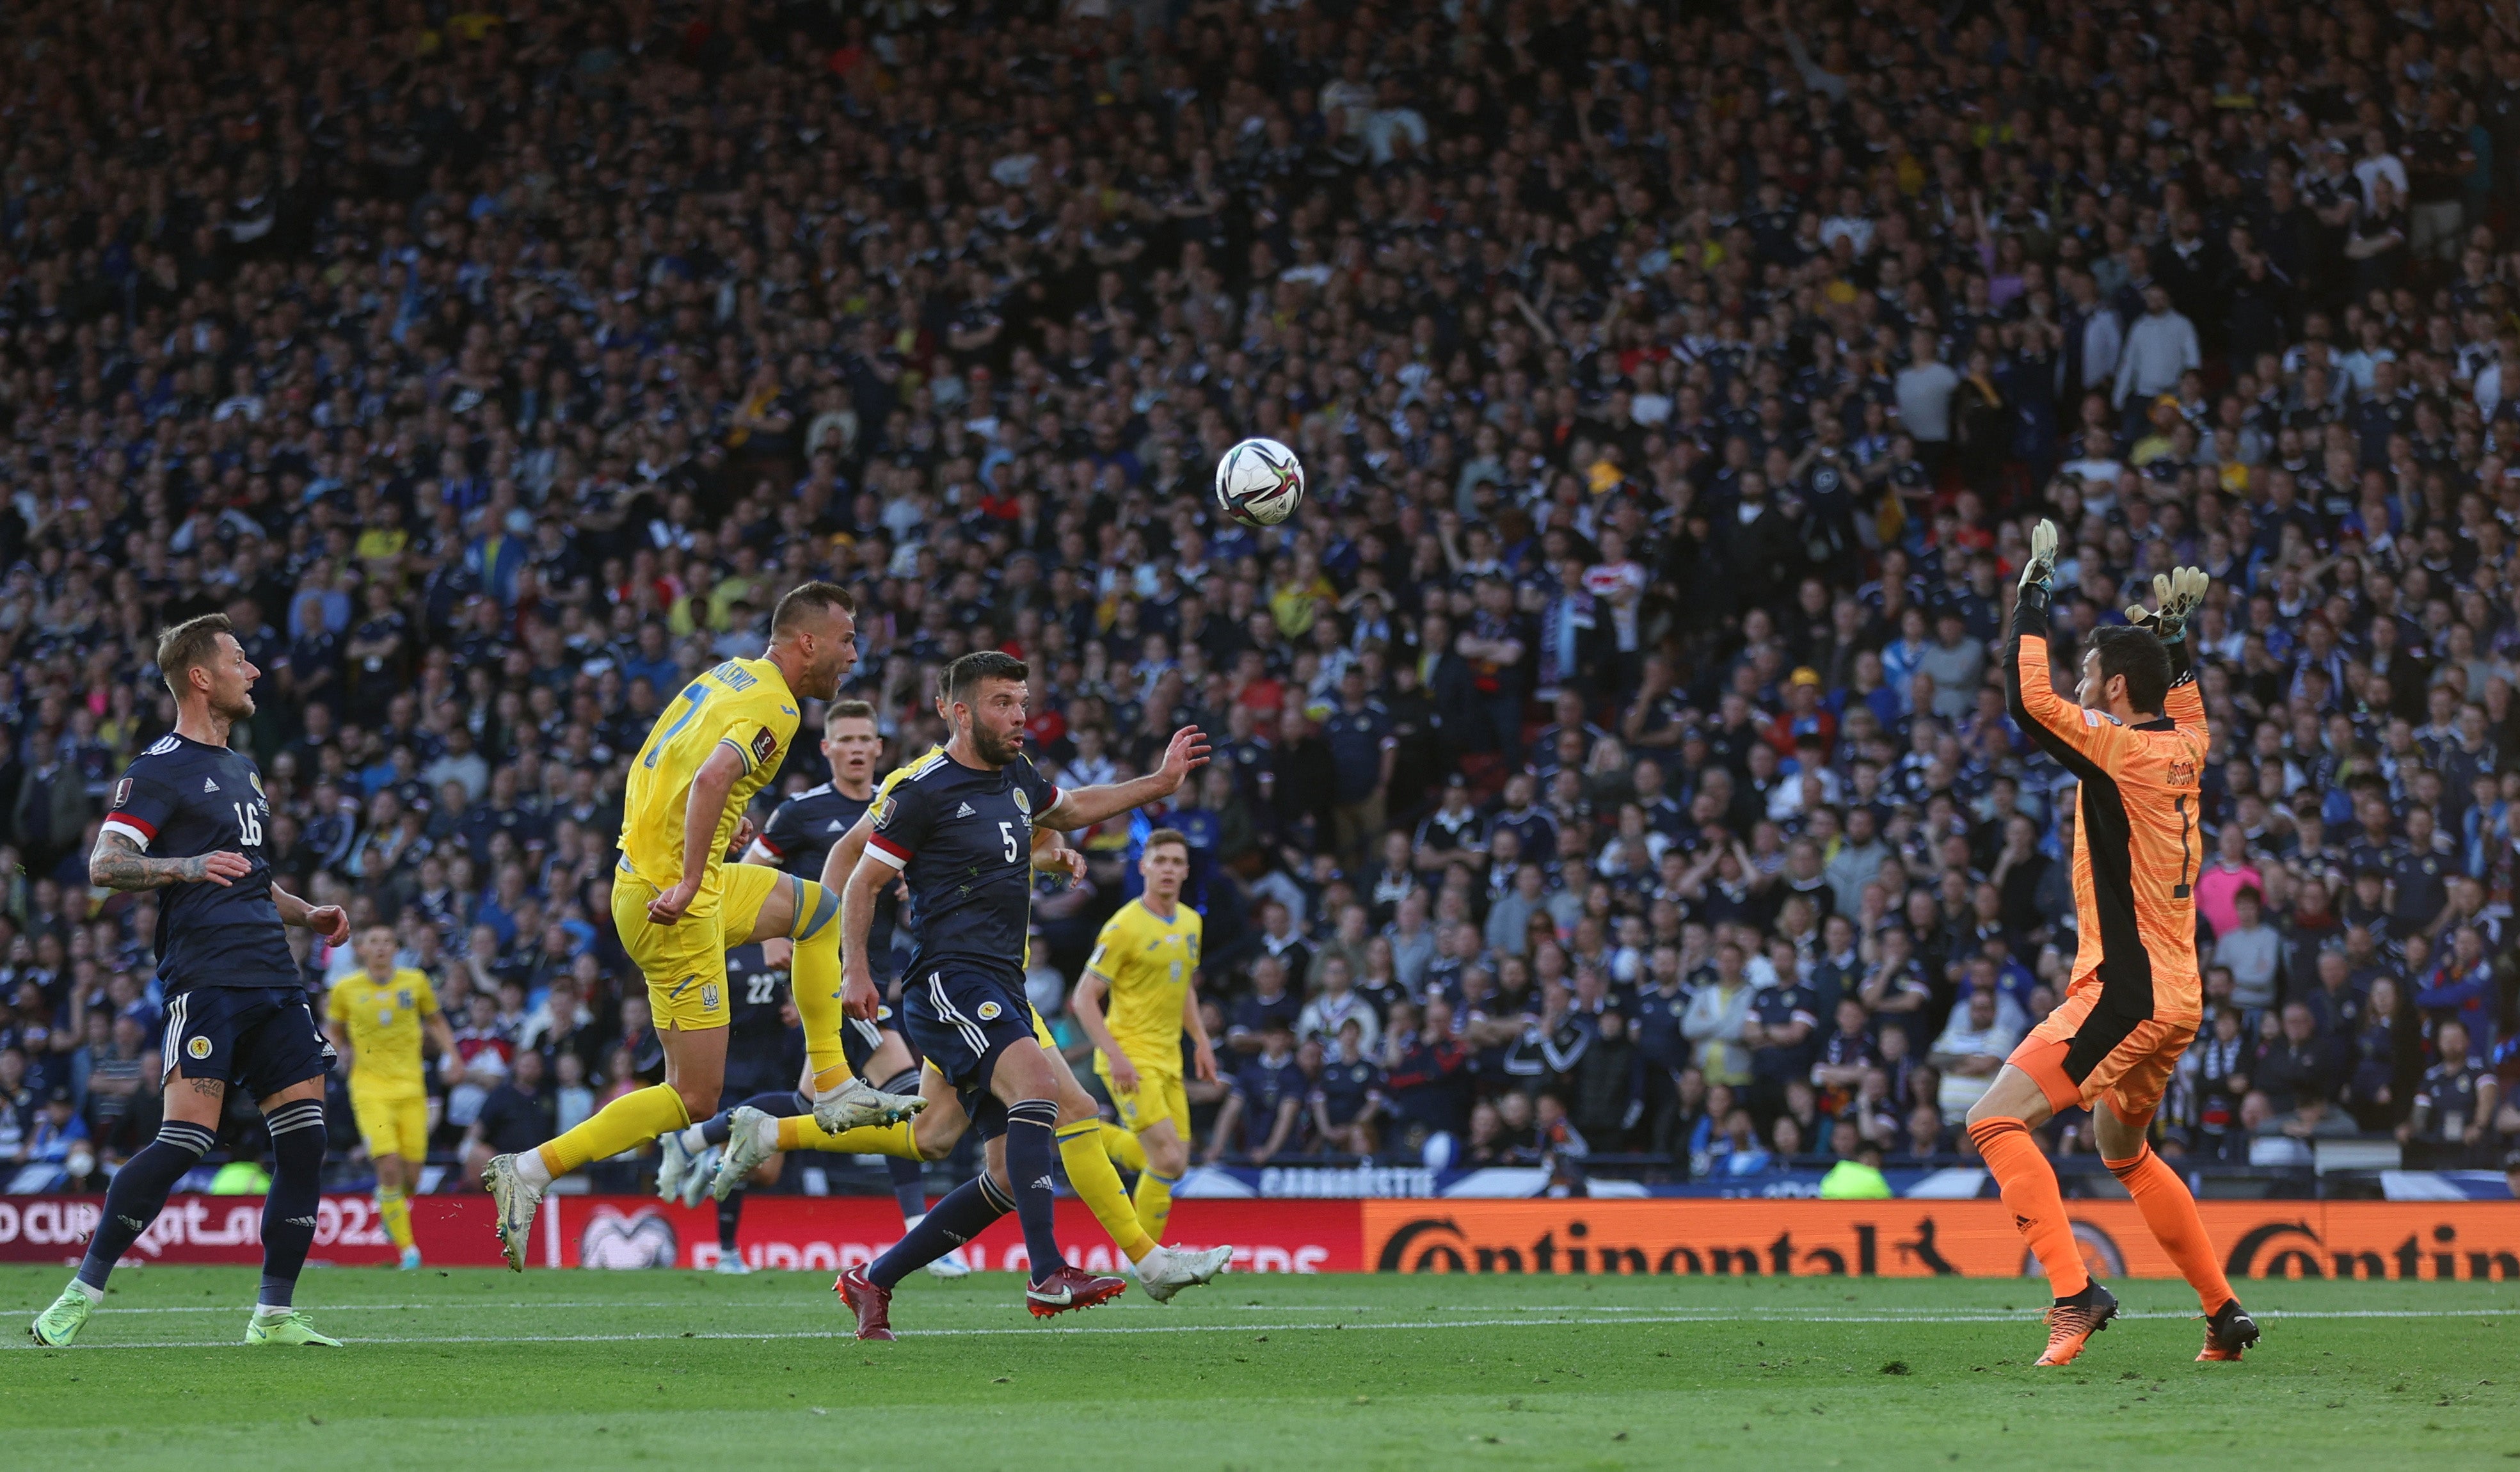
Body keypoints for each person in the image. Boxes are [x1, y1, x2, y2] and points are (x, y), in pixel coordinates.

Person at [481, 584, 923, 1271]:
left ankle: (832, 1079)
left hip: (667, 881)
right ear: (807, 641)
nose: (853, 654)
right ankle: (533, 1168)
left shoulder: (727, 674)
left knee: (818, 911)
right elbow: (716, 772)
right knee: (693, 1097)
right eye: (847, 639)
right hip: (677, 904)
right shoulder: (776, 703)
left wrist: (715, 834)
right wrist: (689, 875)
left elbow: (662, 762)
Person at [834, 651, 1229, 1336]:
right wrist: (855, 972)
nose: (1019, 716)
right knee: (1043, 1088)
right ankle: (1048, 1272)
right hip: (948, 981)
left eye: (1021, 701)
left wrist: (1160, 781)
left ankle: (874, 1278)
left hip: (1000, 984)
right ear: (960, 711)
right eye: (1001, 703)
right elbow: (861, 880)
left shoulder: (1015, 776)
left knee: (1003, 1175)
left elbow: (1071, 808)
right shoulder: (922, 790)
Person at [1965, 546, 2257, 1367]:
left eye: (2090, 670)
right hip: (2178, 997)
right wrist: (2176, 641)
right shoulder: (2188, 745)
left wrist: (2029, 598)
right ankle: (2222, 1311)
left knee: (1991, 1119)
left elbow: (2029, 702)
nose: (2083, 681)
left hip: (2121, 991)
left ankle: (2073, 1294)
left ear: (2116, 689)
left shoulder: (2121, 749)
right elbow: (2187, 705)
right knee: (2122, 1149)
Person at [30, 614, 353, 1348]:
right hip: (206, 976)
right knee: (185, 1139)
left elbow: (249, 874)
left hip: (275, 975)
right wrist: (186, 865)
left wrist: (309, 913)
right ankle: (81, 1290)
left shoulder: (243, 768)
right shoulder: (157, 768)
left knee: (305, 1141)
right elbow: (105, 866)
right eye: (241, 659)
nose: (256, 670)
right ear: (202, 676)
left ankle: (273, 1314)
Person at [661, 700, 941, 1274]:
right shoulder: (802, 812)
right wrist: (768, 943)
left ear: (880, 749)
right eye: (848, 739)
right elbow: (753, 870)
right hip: (832, 975)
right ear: (828, 748)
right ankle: (921, 1236)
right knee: (906, 1089)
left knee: (806, 1105)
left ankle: (702, 1139)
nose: (859, 749)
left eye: (868, 739)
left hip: (871, 972)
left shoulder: (899, 810)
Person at [1071, 828, 1216, 1245]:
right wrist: (1116, 1057)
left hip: (1169, 1058)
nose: (1168, 870)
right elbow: (1083, 999)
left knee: (1176, 1164)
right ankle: (1147, 1261)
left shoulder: (1191, 922)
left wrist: (1201, 1041)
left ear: (1186, 871)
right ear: (1144, 867)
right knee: (1167, 1158)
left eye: (1176, 862)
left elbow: (1183, 984)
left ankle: (1084, 1130)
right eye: (1160, 861)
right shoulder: (1124, 927)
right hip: (1130, 1057)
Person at [326, 924, 459, 1270]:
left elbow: (437, 1021)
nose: (381, 947)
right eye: (374, 941)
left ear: (396, 948)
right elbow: (335, 1030)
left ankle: (388, 1204)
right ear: (362, 950)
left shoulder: (415, 983)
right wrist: (332, 1054)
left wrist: (453, 1056)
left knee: (412, 1176)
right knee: (388, 1166)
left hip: (412, 1089)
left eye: (387, 941)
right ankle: (408, 1251)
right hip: (369, 1089)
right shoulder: (345, 989)